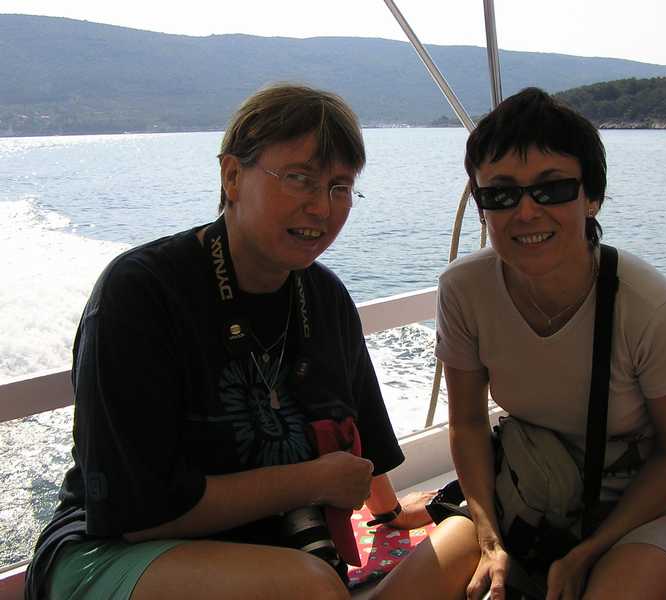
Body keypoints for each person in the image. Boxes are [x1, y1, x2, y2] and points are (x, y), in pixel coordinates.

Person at [25, 83, 437, 600]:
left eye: (339, 187)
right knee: (308, 588)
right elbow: (139, 511)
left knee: (461, 545)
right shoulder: (143, 292)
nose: (322, 207)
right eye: (300, 179)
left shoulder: (325, 298)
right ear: (232, 176)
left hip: (260, 546)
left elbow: (361, 443)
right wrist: (312, 481)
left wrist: (391, 513)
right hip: (111, 547)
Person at [429, 87, 666, 600]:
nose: (526, 211)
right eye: (501, 194)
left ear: (591, 197)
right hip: (531, 485)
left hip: (650, 504)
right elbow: (469, 423)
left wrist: (587, 552)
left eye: (552, 189)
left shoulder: (652, 308)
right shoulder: (464, 289)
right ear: (481, 207)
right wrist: (488, 538)